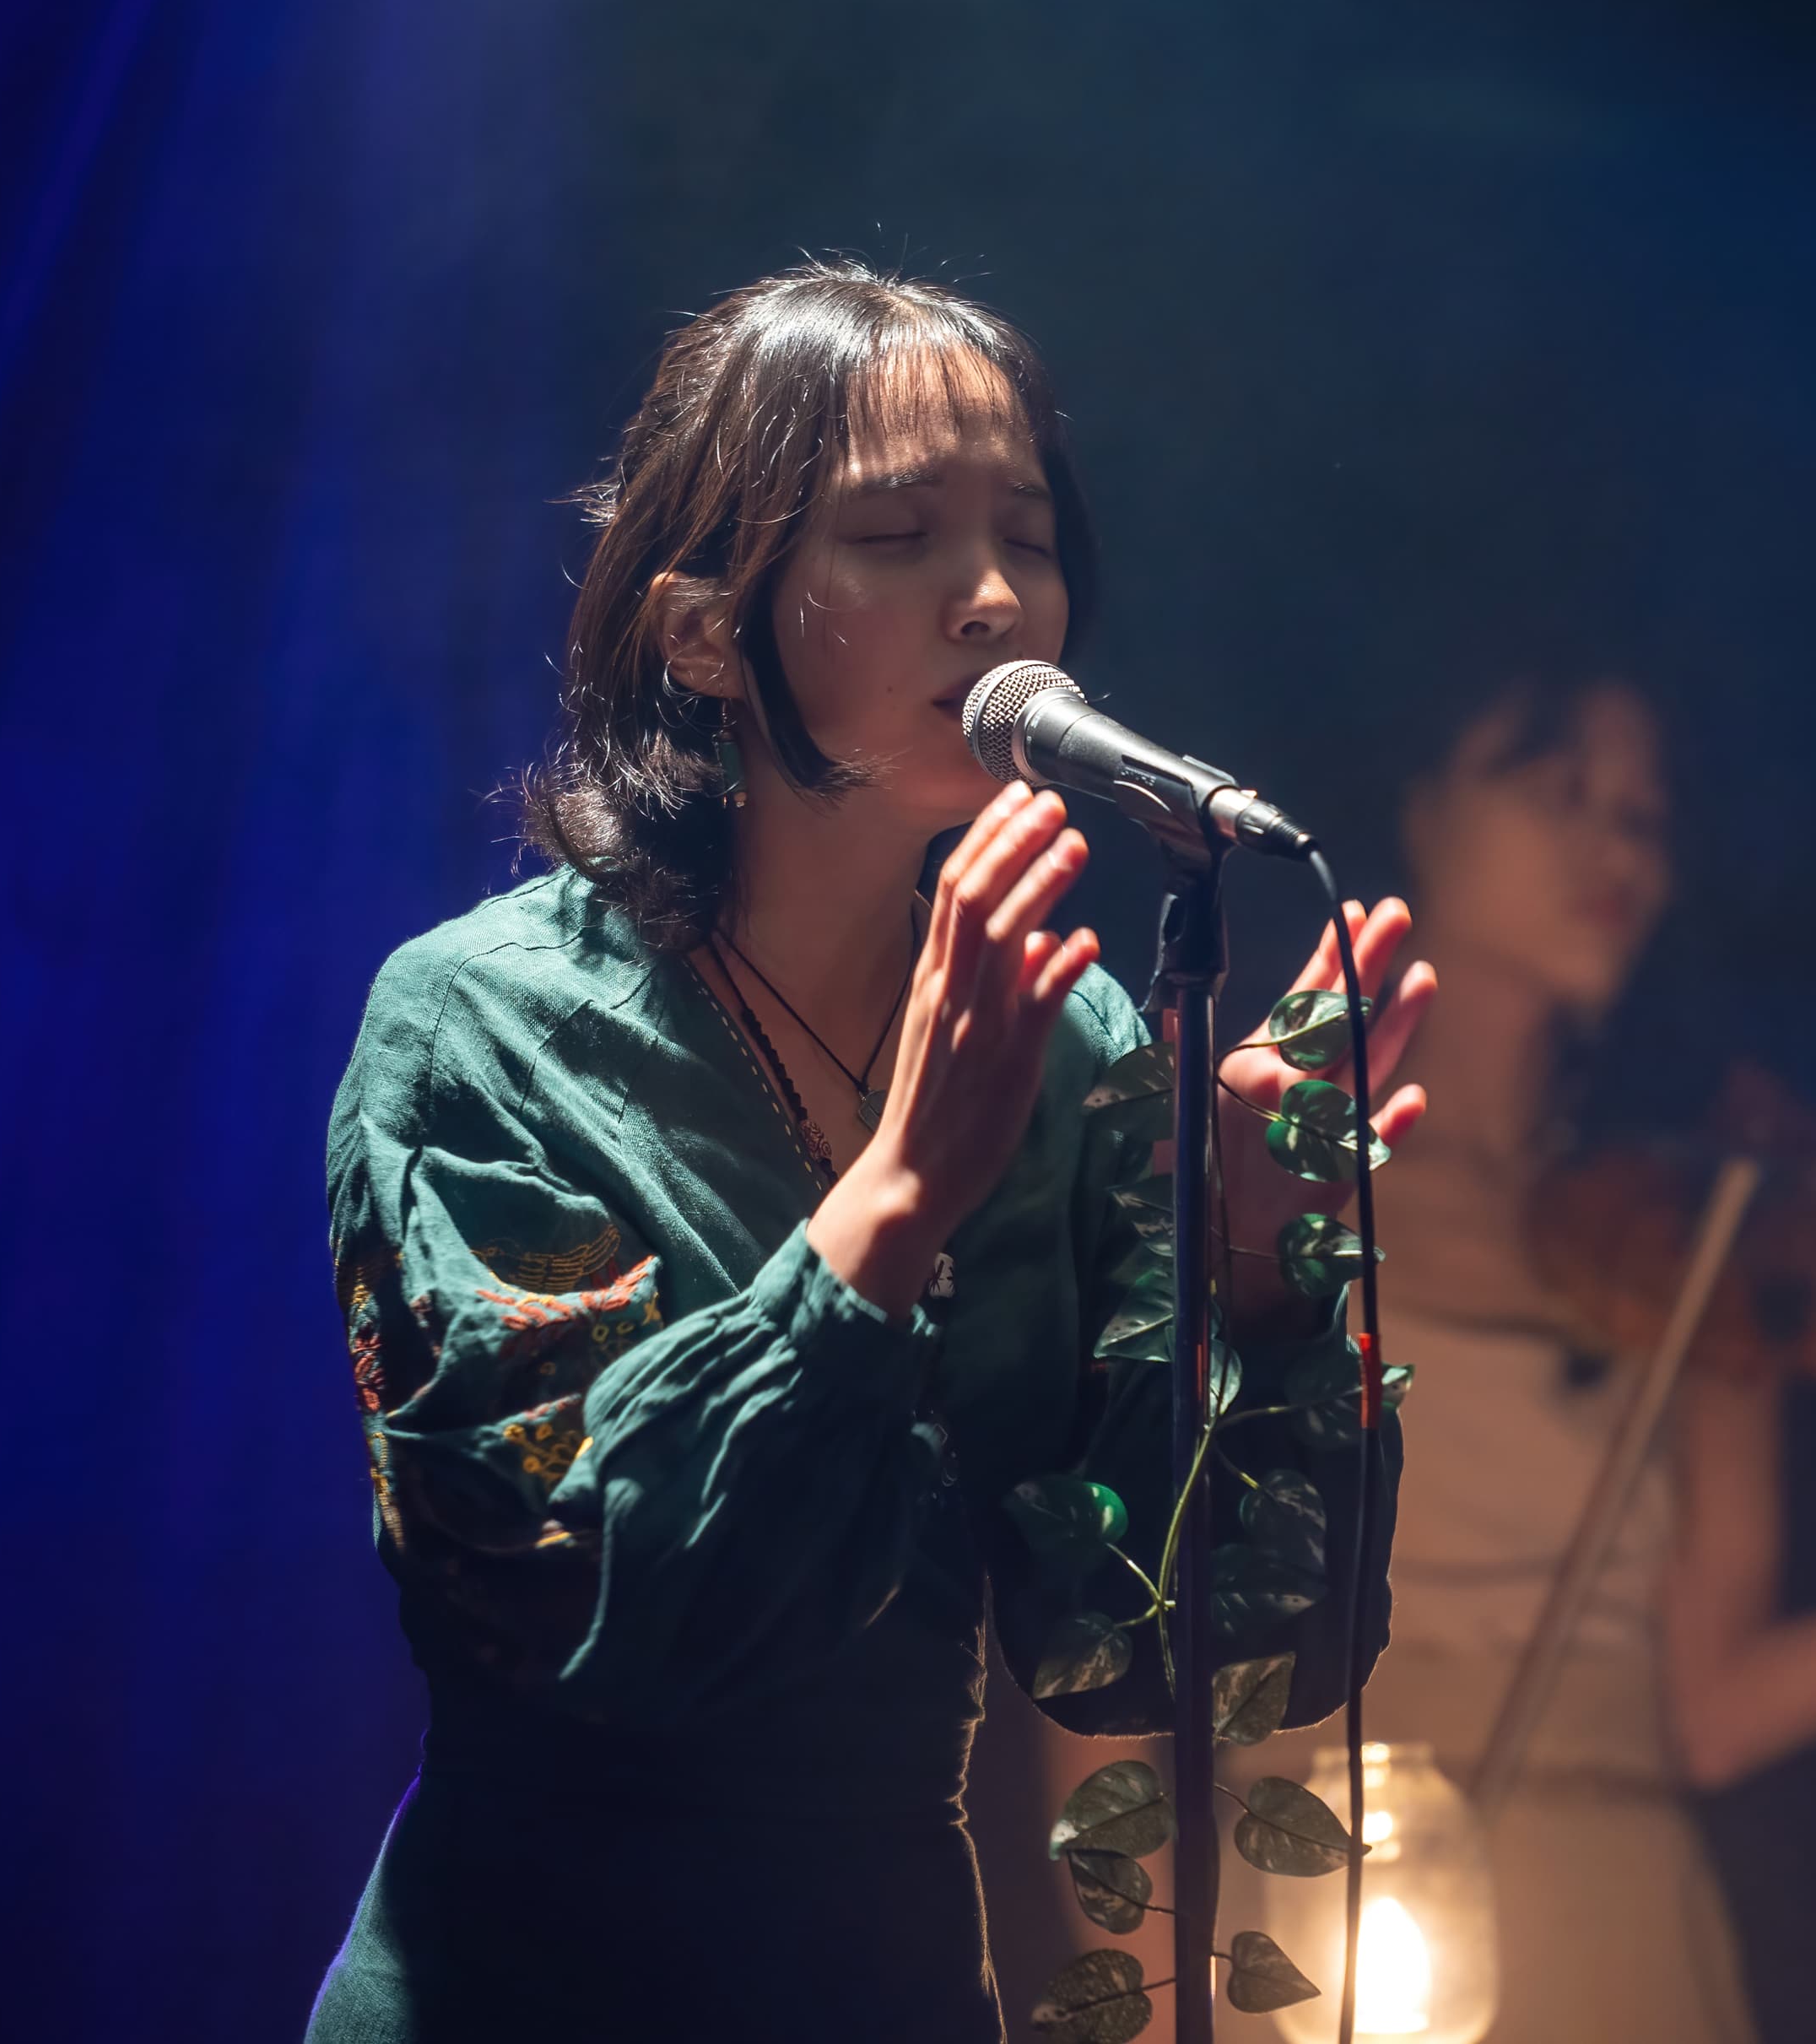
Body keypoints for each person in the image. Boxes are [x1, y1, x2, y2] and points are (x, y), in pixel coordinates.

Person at [304, 262, 1436, 2043]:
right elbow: (584, 1611)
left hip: (883, 1978)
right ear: (699, 634)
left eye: (1027, 537)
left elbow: (1158, 1656)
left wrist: (1254, 1270)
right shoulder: (480, 1027)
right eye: (899, 535)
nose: (997, 600)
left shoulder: (1069, 1043)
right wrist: (895, 1200)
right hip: (530, 1981)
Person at [1024, 672, 1816, 2041]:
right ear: (1422, 805)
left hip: (1619, 1933)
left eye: (1645, 817)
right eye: (1560, 790)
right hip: (1319, 1931)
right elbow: (1099, 1633)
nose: (1621, 850)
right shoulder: (1263, 1176)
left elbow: (1718, 1710)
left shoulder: (1691, 1243)